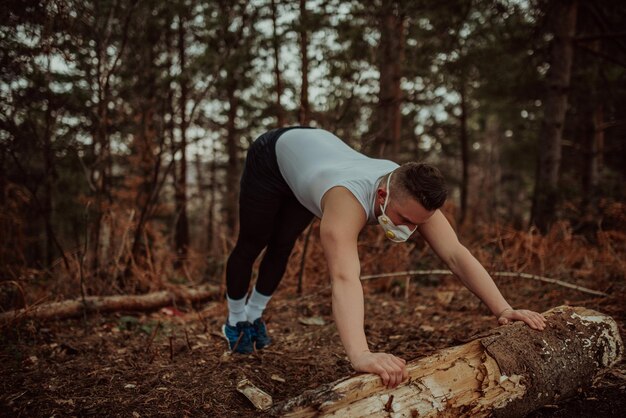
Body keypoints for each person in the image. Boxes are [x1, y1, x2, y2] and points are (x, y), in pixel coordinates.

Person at [221, 126, 546, 388]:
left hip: (313, 157)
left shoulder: (412, 196)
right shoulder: (345, 202)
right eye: (405, 220)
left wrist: (504, 308)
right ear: (381, 194)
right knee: (254, 243)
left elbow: (456, 254)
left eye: (418, 223)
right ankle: (236, 321)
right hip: (274, 155)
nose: (410, 228)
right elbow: (345, 278)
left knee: (283, 245)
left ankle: (255, 315)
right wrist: (361, 354)